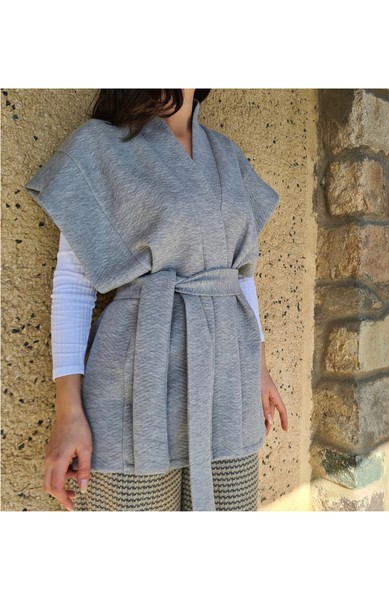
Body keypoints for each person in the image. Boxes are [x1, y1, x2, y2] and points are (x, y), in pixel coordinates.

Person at [25, 89, 288, 511]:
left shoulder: (227, 155)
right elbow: (74, 285)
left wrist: (259, 368)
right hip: (137, 385)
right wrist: (68, 410)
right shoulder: (100, 147)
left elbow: (241, 275)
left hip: (229, 384)